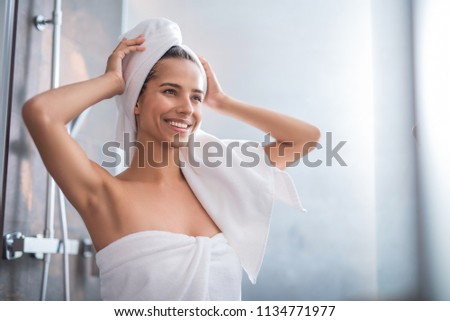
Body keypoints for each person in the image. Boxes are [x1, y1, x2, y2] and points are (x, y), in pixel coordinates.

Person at [22, 18, 320, 300]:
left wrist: (222, 101)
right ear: (136, 101)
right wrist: (113, 80)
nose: (187, 108)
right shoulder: (104, 194)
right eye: (170, 91)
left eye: (196, 97)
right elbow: (42, 114)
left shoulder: (220, 181)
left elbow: (307, 138)